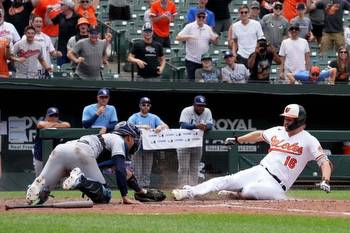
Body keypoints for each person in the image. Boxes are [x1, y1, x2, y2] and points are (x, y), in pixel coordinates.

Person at [172, 104, 333, 201]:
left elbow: (325, 162)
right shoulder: (278, 130)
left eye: (289, 119)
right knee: (225, 180)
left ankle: (239, 194)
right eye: (285, 117)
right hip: (260, 170)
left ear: (299, 120)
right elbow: (259, 135)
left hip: (276, 184)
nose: (285, 121)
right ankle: (189, 192)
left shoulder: (309, 140)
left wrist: (325, 179)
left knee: (251, 190)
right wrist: (237, 140)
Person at [26, 121, 147, 205]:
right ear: (129, 137)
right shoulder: (119, 140)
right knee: (105, 197)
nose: (135, 142)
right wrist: (125, 196)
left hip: (61, 150)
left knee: (39, 198)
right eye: (134, 139)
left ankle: (37, 188)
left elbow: (122, 171)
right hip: (81, 153)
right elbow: (120, 170)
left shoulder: (106, 139)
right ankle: (81, 180)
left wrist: (140, 191)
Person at [127, 97, 169, 188]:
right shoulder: (134, 116)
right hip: (136, 147)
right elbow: (128, 127)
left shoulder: (154, 117)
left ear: (150, 106)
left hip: (149, 148)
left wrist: (160, 127)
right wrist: (142, 126)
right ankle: (137, 189)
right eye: (143, 105)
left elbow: (166, 126)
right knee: (137, 170)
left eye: (147, 105)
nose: (145, 106)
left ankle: (145, 189)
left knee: (147, 170)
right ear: (140, 105)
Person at [176, 95, 213, 187]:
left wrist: (205, 127)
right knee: (183, 168)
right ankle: (181, 188)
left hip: (197, 144)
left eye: (202, 105)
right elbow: (183, 124)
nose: (201, 107)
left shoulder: (207, 111)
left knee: (195, 168)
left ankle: (193, 188)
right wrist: (196, 126)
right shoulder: (187, 110)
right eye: (198, 105)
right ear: (194, 105)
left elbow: (210, 125)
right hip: (184, 143)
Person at [176, 10, 219, 80]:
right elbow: (178, 37)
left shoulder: (208, 28)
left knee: (204, 82)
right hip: (192, 60)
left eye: (203, 17)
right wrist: (189, 36)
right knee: (192, 82)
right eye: (199, 16)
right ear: (196, 17)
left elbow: (215, 42)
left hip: (204, 61)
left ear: (205, 18)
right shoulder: (189, 26)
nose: (201, 18)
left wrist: (216, 39)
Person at [32, 107, 71, 177]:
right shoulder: (42, 122)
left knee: (53, 178)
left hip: (53, 157)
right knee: (39, 178)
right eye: (51, 115)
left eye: (55, 115)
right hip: (39, 155)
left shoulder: (60, 122)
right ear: (47, 116)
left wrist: (51, 125)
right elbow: (40, 125)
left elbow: (67, 125)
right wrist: (58, 126)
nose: (53, 117)